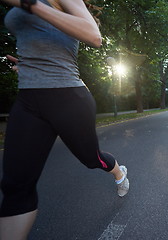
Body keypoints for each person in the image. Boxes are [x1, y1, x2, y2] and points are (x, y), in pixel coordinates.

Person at [0, 0, 130, 239]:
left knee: (92, 159)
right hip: (28, 100)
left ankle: (118, 173)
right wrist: (29, 66)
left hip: (69, 97)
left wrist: (30, 4)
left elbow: (94, 36)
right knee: (15, 186)